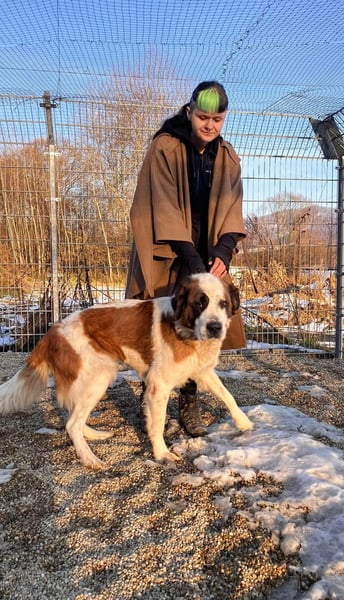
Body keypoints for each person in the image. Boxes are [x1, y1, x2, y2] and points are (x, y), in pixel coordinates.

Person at [125, 81, 247, 437]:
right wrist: (191, 258)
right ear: (190, 112)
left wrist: (223, 252)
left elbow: (233, 207)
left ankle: (188, 400)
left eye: (217, 119)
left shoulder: (227, 156)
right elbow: (160, 205)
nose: (210, 125)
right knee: (162, 324)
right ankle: (154, 389)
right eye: (203, 117)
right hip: (169, 251)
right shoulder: (165, 146)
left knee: (200, 330)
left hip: (208, 254)